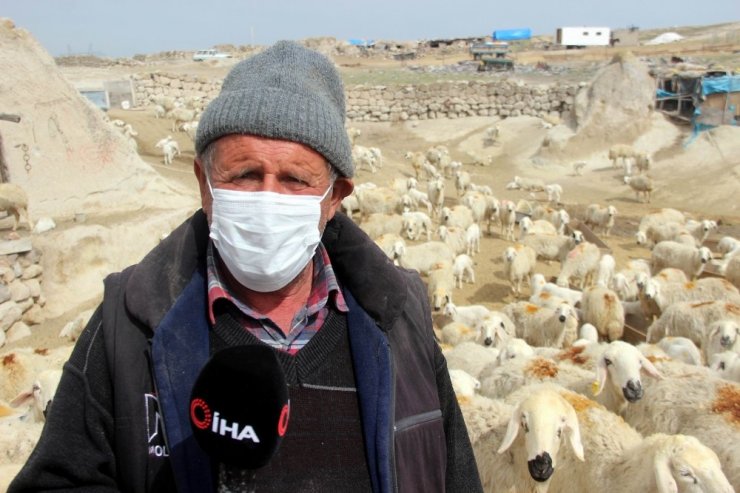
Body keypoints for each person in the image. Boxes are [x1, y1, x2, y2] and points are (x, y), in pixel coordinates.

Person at [9, 41, 483, 492]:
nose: (266, 198)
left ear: (334, 197)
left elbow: (455, 475)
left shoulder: (398, 318)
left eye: (296, 180)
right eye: (244, 175)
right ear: (204, 182)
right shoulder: (131, 325)